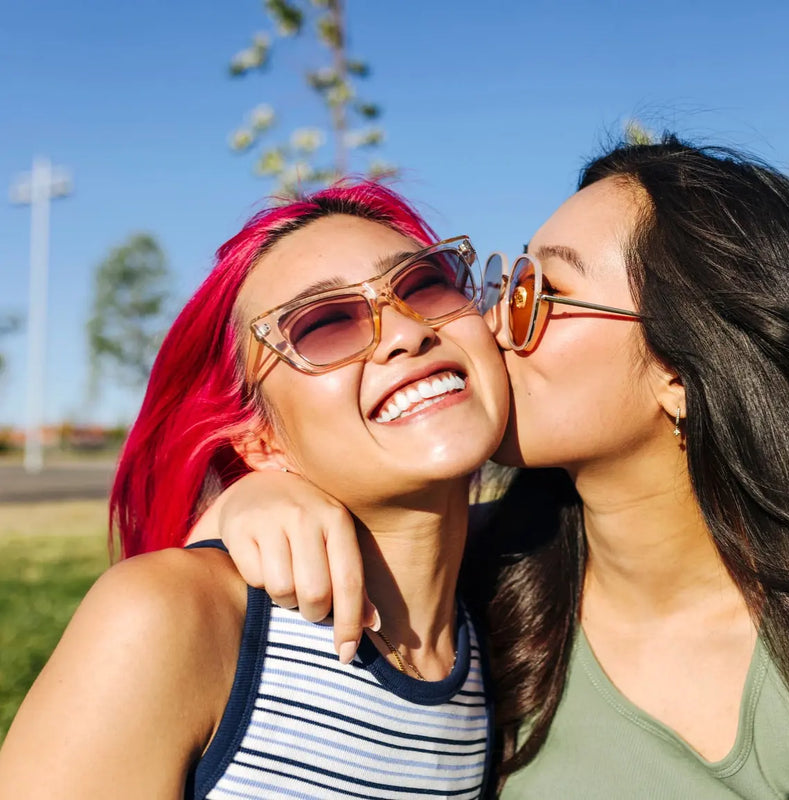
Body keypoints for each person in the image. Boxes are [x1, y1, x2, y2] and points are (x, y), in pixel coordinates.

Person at [196, 136, 789, 798]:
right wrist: (251, 501)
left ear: (679, 373)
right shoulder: (483, 585)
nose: (490, 321)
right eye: (508, 284)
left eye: (544, 292)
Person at [0, 181, 510, 799]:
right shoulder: (166, 617)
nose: (406, 332)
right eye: (324, 325)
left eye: (425, 284)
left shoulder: (508, 625)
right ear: (260, 440)